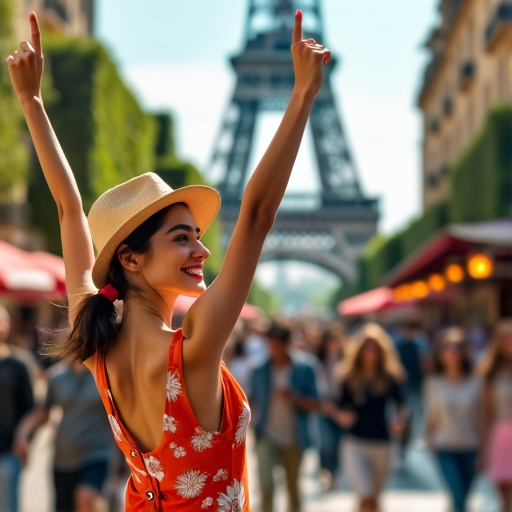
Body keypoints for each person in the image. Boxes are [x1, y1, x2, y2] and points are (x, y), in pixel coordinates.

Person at [7, 11, 330, 510]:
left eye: (198, 237)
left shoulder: (98, 349)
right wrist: (303, 94)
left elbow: (70, 212)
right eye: (182, 238)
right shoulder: (193, 347)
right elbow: (258, 215)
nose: (202, 250)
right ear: (132, 259)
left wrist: (31, 103)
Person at [15, 361, 116, 512]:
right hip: (63, 457)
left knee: (86, 497)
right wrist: (22, 435)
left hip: (97, 451)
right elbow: (43, 413)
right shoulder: (56, 377)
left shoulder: (105, 374)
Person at [329, 323, 406, 512]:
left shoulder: (389, 377)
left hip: (382, 444)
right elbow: (336, 405)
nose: (371, 354)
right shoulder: (349, 377)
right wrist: (341, 416)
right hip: (355, 443)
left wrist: (400, 421)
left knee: (374, 501)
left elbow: (401, 404)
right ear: (359, 351)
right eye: (367, 349)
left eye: (375, 349)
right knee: (366, 496)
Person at [249, 321, 320, 512]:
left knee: (293, 490)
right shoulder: (259, 369)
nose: (273, 349)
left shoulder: (306, 368)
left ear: (287, 344)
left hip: (295, 438)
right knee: (265, 486)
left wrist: (294, 398)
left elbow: (317, 403)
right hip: (266, 436)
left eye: (277, 345)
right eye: (270, 344)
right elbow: (250, 399)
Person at [424, 327, 482, 512]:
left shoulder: (476, 382)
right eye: (448, 347)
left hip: (471, 446)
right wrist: (428, 441)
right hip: (445, 446)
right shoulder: (433, 383)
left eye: (457, 347)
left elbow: (482, 417)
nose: (453, 352)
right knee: (457, 496)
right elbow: (432, 416)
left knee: (463, 497)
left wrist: (485, 448)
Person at [479, 319, 512, 512]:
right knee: (501, 487)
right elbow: (486, 410)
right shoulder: (491, 372)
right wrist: (484, 447)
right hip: (500, 431)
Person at [0, 333, 34, 512]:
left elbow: (30, 408)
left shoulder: (18, 365)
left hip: (8, 451)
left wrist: (25, 439)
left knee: (7, 506)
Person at [394, 319, 432, 458]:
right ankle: (403, 443)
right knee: (408, 417)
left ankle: (403, 443)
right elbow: (426, 366)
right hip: (408, 386)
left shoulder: (404, 344)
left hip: (410, 386)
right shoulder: (419, 345)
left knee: (407, 417)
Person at [316, 326, 345, 489]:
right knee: (325, 443)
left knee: (338, 444)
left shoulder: (346, 360)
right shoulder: (317, 360)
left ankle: (335, 475)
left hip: (340, 406)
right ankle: (324, 470)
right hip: (323, 406)